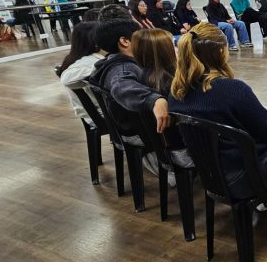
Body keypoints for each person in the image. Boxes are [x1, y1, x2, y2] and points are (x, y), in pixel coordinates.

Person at [169, 22, 267, 206]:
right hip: (246, 178)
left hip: (210, 178)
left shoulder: (175, 93)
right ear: (220, 51)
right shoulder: (233, 90)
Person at [88, 14, 169, 176]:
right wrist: (155, 100)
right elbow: (122, 86)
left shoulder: (111, 62)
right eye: (138, 37)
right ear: (125, 41)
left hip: (129, 129)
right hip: (143, 133)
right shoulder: (122, 68)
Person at [131, 28, 193, 173]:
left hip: (162, 148)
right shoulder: (173, 83)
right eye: (173, 45)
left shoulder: (139, 78)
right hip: (183, 150)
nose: (177, 49)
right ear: (166, 52)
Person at [58, 22, 104, 126]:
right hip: (100, 116)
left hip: (94, 114)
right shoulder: (88, 62)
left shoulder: (74, 59)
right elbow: (66, 79)